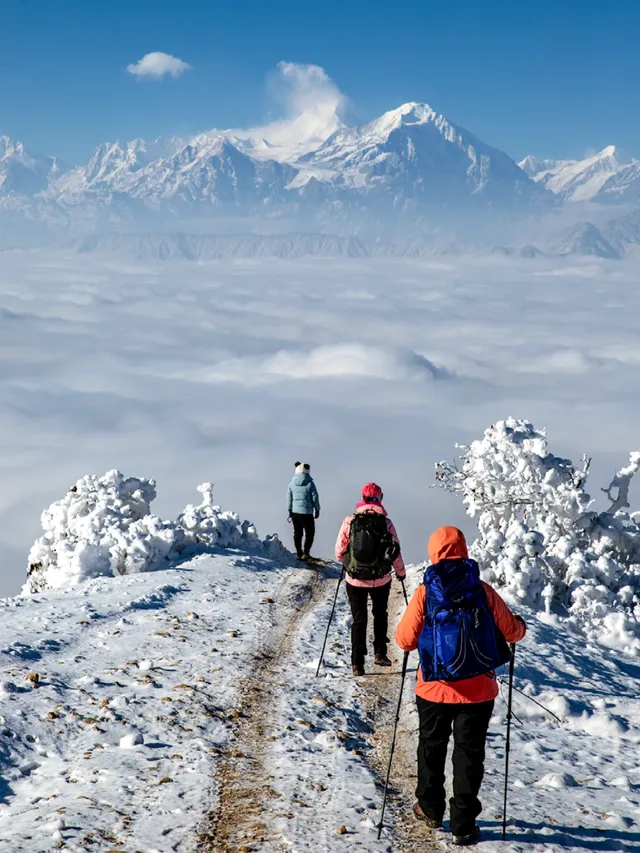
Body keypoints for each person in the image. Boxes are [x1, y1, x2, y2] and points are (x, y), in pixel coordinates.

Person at [396, 526, 526, 847]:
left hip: (433, 688)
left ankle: (430, 808)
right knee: (469, 754)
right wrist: (520, 624)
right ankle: (463, 825)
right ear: (463, 550)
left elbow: (404, 639)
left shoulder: (426, 592)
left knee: (432, 746)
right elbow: (513, 633)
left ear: (434, 553)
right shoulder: (481, 590)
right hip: (478, 691)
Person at [335, 482, 406, 676]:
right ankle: (380, 654)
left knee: (359, 620)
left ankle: (357, 664)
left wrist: (349, 563)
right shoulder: (386, 523)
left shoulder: (350, 521)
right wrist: (400, 572)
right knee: (380, 614)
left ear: (362, 498)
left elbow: (339, 552)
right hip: (380, 579)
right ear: (380, 498)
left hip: (355, 579)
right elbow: (395, 551)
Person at [287, 462, 320, 560]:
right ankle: (306, 552)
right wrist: (317, 509)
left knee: (297, 532)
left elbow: (289, 497)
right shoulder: (310, 483)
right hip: (307, 513)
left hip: (295, 512)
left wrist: (290, 509)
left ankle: (299, 552)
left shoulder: (292, 483)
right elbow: (315, 497)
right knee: (310, 533)